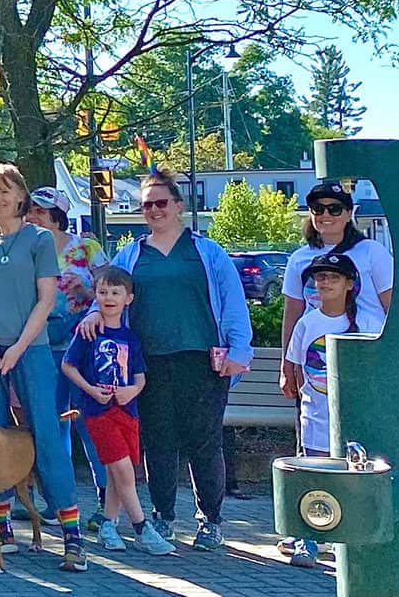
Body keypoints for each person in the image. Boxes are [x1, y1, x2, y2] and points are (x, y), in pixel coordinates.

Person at [85, 168, 251, 553]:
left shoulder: (207, 251)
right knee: (158, 442)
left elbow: (232, 304)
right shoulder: (131, 254)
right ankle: (163, 516)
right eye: (147, 204)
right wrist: (95, 313)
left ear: (178, 205)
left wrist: (238, 353)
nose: (155, 210)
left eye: (162, 202)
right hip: (148, 364)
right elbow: (109, 294)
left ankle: (210, 520)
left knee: (204, 442)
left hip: (202, 360)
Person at [0, 164, 85, 571]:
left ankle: (72, 537)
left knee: (46, 435)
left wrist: (18, 348)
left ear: (21, 195)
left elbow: (46, 299)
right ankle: (3, 529)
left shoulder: (39, 239)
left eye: (5, 191)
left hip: (30, 350)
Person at [284, 252, 387, 568]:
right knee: (314, 480)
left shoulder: (369, 323)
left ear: (350, 284)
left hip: (358, 420)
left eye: (333, 277)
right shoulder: (307, 323)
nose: (325, 282)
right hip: (316, 418)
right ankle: (309, 540)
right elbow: (299, 368)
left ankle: (356, 539)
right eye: (320, 277)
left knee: (355, 480)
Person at [60, 266, 172, 556]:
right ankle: (141, 527)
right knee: (123, 469)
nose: (108, 298)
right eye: (102, 292)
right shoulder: (88, 332)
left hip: (127, 411)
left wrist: (131, 391)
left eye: (115, 292)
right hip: (98, 411)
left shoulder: (131, 337)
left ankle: (108, 525)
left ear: (128, 298)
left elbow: (140, 376)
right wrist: (91, 390)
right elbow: (68, 365)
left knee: (116, 473)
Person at [26, 185, 107, 528]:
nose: (33, 217)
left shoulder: (86, 248)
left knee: (90, 423)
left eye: (41, 211)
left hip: (83, 347)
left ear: (58, 216)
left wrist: (86, 291)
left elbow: (112, 293)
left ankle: (107, 501)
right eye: (31, 210)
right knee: (52, 423)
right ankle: (59, 500)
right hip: (43, 345)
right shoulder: (27, 248)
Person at [280, 180, 395, 388]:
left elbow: (393, 307)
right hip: (315, 351)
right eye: (318, 209)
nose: (325, 215)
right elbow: (293, 312)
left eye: (334, 209)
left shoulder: (372, 252)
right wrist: (287, 363)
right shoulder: (299, 258)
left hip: (366, 349)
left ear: (349, 213)